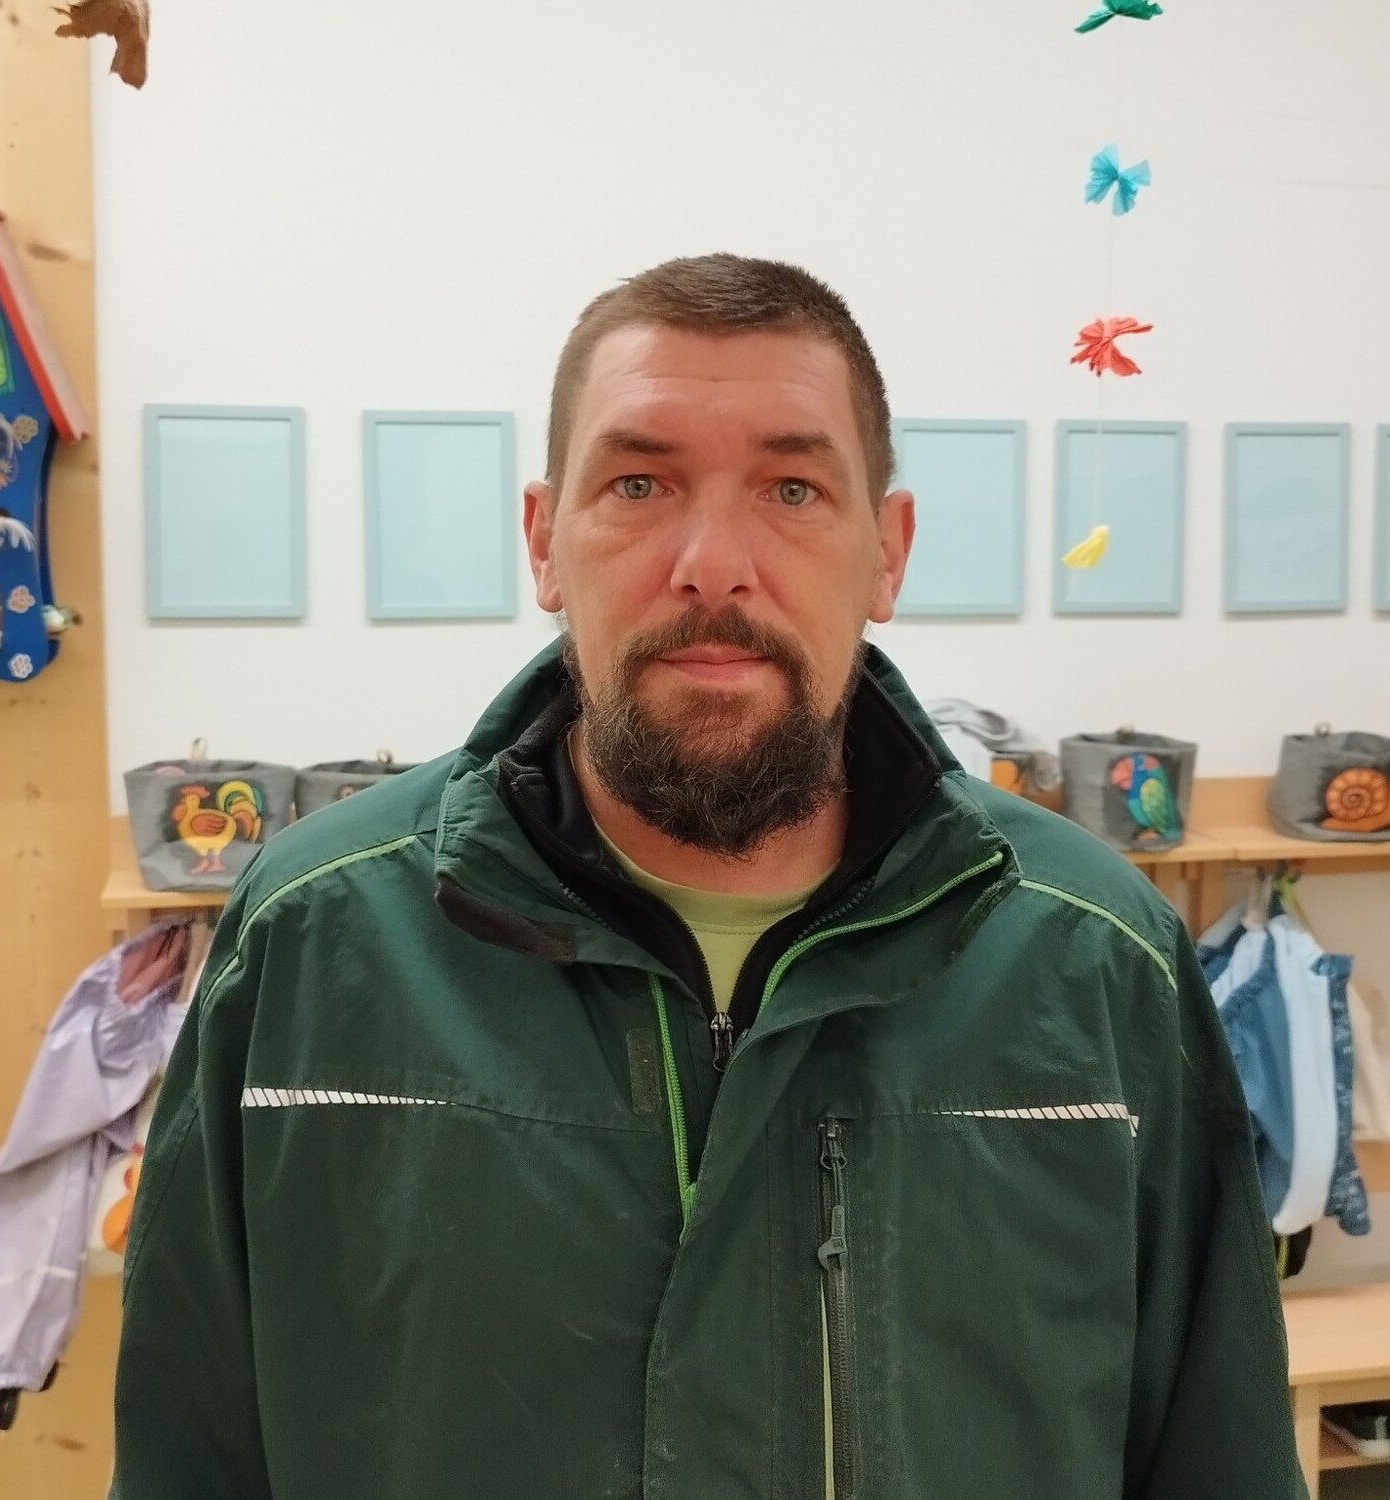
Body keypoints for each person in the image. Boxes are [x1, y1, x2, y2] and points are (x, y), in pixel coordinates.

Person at [111, 254, 1306, 1500]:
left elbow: (1214, 1456)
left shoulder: (1093, 955)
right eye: (638, 484)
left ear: (887, 552)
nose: (713, 562)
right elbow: (190, 1454)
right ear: (543, 541)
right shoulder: (315, 941)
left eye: (792, 488)